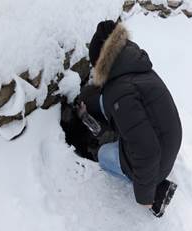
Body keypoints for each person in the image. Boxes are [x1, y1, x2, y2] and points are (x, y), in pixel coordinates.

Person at [78, 20, 182, 217]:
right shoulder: (133, 64)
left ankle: (158, 192)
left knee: (103, 156)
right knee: (102, 103)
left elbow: (147, 151)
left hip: (158, 158)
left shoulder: (119, 94)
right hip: (169, 138)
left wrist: (145, 196)